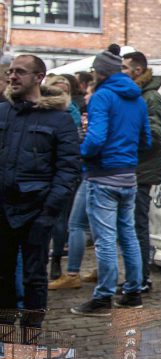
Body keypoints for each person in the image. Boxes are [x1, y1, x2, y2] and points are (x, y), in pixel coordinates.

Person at [0, 55, 81, 330]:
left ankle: (30, 337)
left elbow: (68, 169)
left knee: (34, 278)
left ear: (39, 77)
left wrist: (48, 213)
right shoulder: (3, 112)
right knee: (3, 277)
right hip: (4, 209)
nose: (13, 77)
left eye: (20, 72)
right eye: (11, 72)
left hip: (37, 210)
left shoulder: (59, 119)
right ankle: (6, 337)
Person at [70, 45, 151, 317]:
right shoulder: (138, 99)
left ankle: (103, 298)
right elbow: (146, 139)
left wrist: (81, 154)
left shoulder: (102, 96)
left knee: (105, 241)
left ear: (100, 72)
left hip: (103, 176)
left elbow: (95, 139)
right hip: (129, 177)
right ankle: (133, 293)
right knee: (128, 237)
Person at [122, 51, 161, 294]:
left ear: (138, 70)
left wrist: (125, 134)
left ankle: (141, 278)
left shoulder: (150, 98)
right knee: (130, 226)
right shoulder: (137, 96)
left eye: (125, 68)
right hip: (133, 171)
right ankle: (136, 276)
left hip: (141, 173)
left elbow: (157, 136)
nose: (121, 73)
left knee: (137, 226)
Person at [43, 75, 83, 282]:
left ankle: (56, 259)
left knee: (61, 221)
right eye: (58, 91)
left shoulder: (72, 112)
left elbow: (75, 146)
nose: (62, 95)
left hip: (65, 174)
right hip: (43, 173)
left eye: (65, 91)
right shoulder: (39, 111)